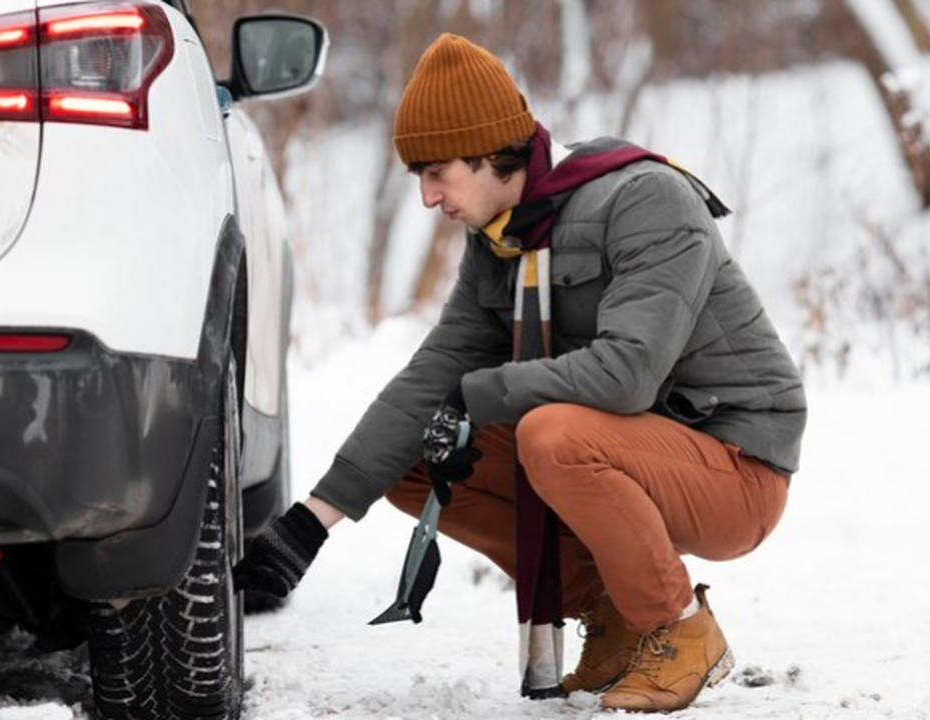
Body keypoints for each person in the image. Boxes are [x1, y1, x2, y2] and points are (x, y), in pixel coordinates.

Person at [233, 33, 807, 713]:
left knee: (552, 434)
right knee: (424, 456)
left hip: (734, 466)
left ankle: (679, 629)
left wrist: (482, 393)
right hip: (632, 449)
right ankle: (614, 612)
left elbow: (627, 376)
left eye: (436, 171)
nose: (426, 196)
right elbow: (434, 375)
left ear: (488, 152)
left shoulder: (645, 199)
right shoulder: (502, 239)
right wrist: (310, 523)